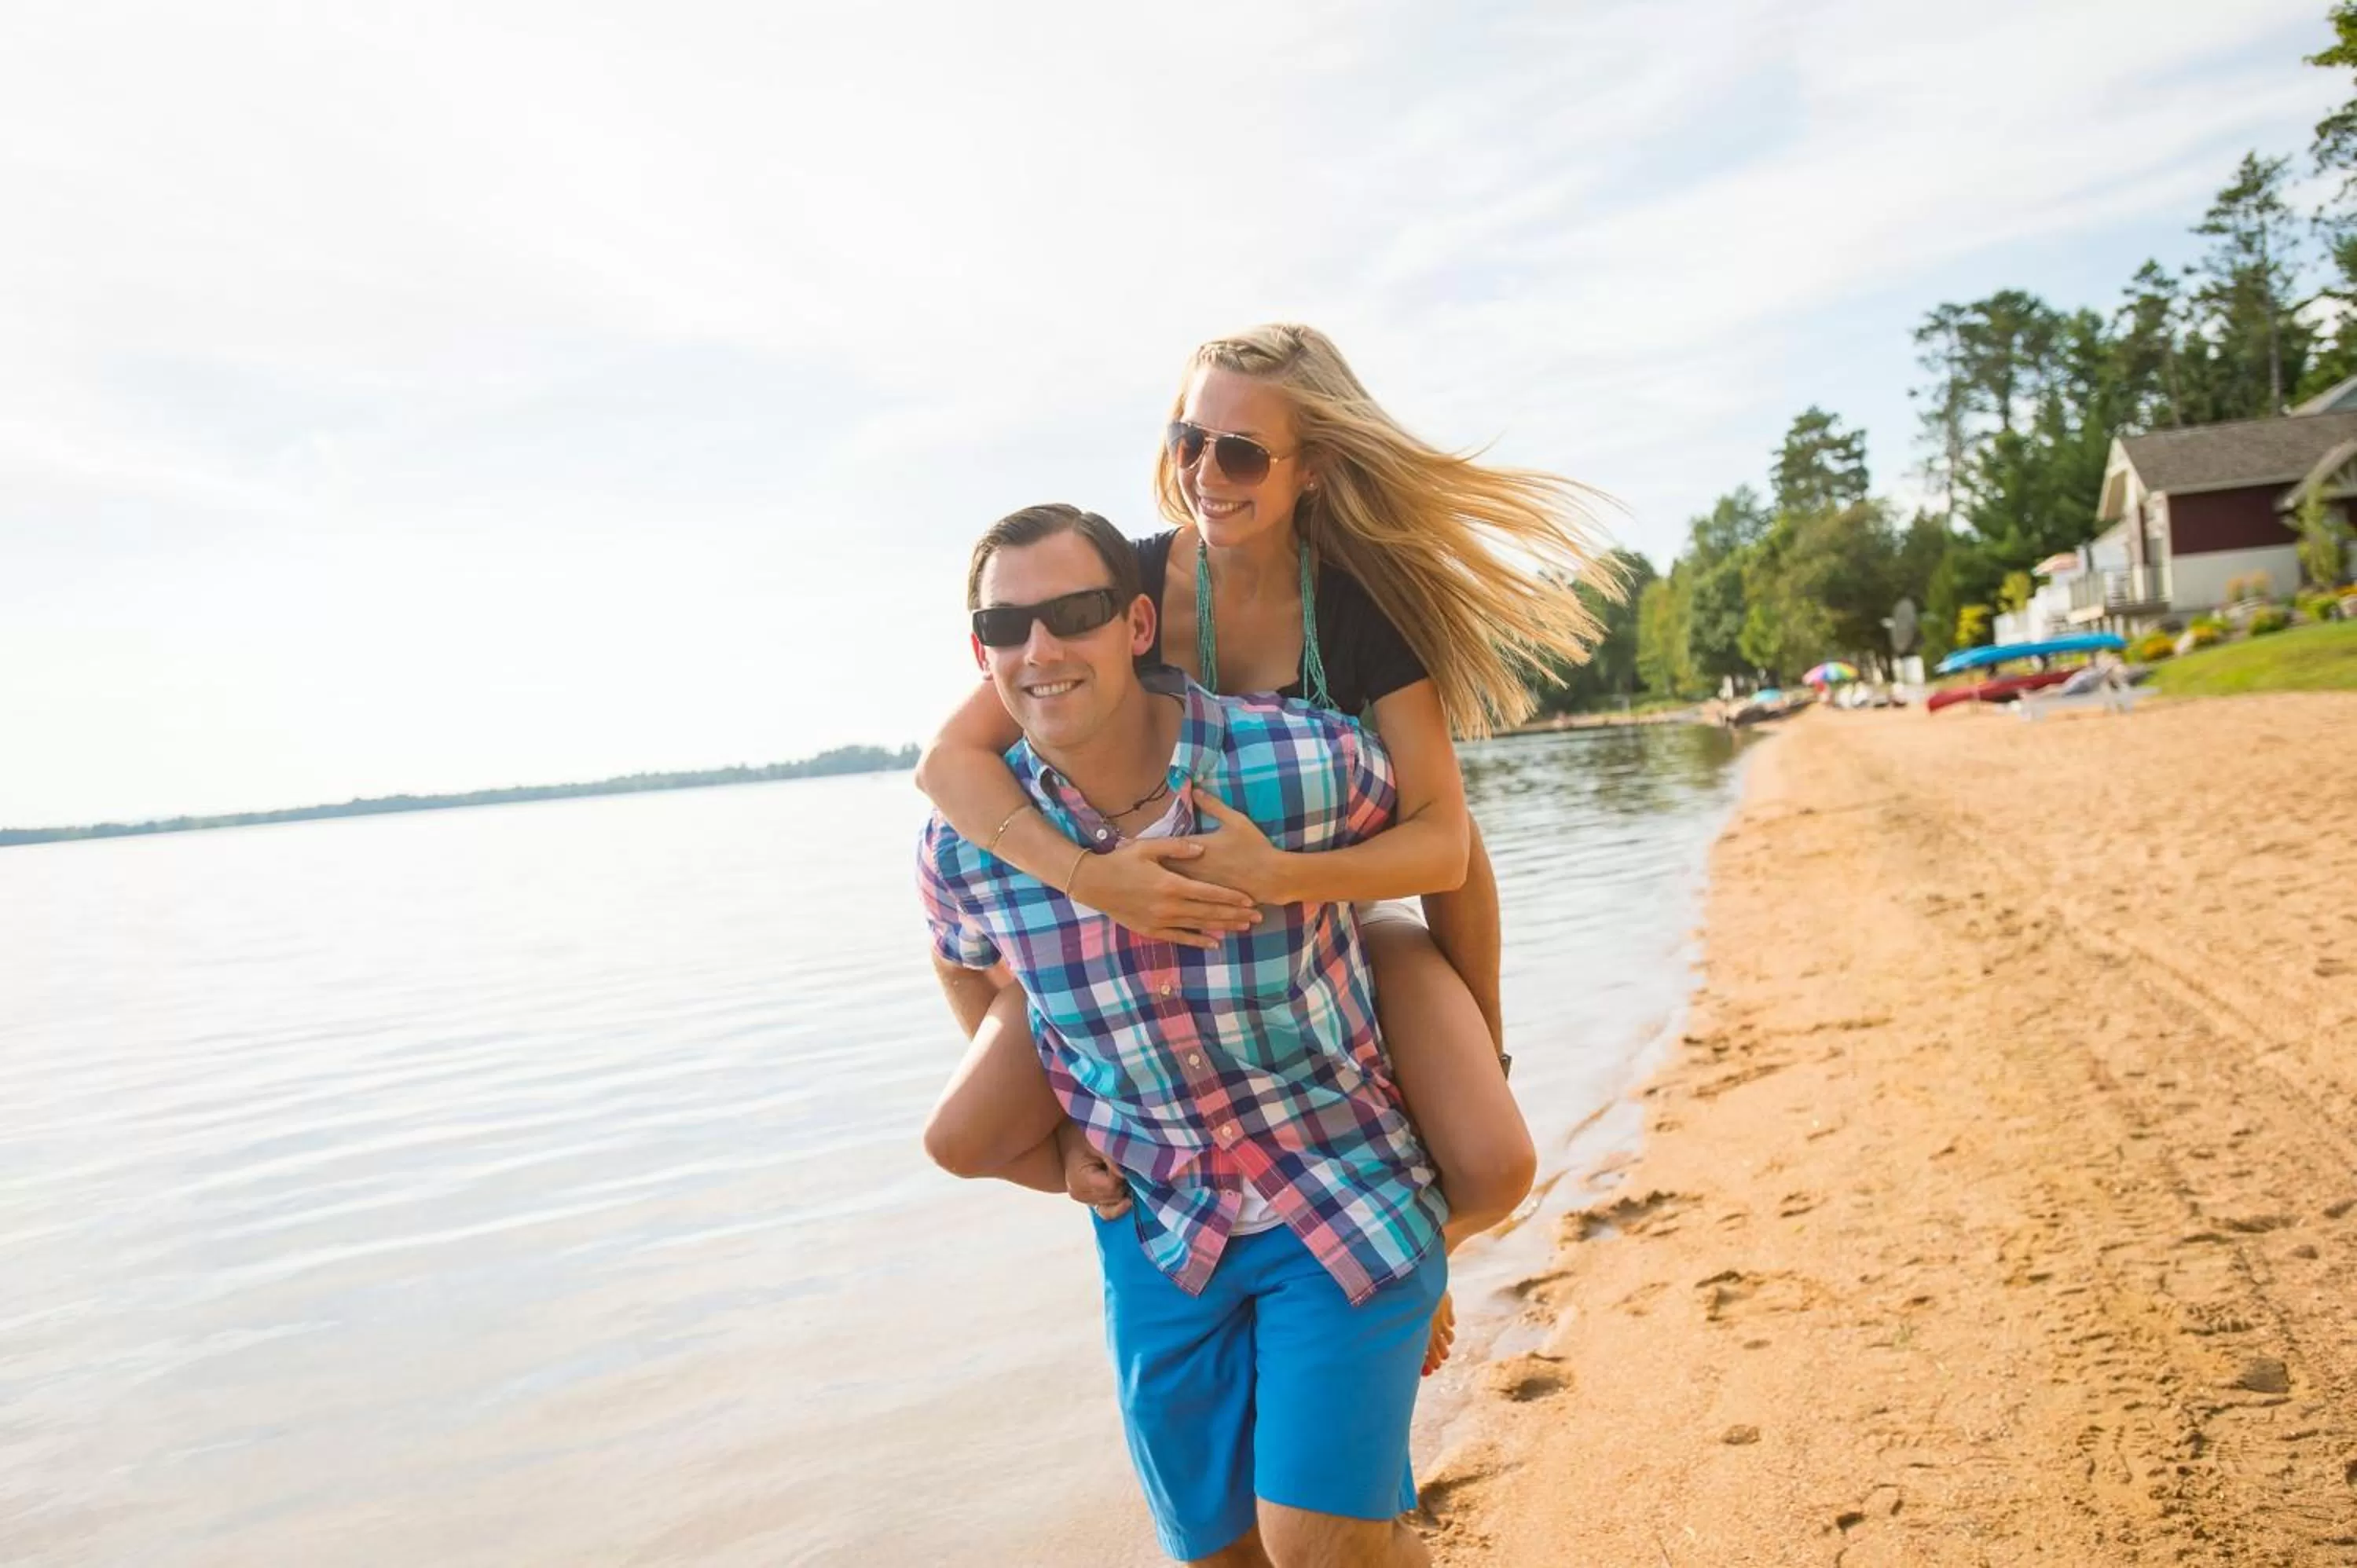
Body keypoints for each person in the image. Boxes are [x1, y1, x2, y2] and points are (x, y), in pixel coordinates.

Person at [916, 324, 1615, 1372]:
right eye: (1188, 439)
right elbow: (947, 766)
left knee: (1491, 1160)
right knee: (964, 1136)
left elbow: (1444, 847)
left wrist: (1475, 1041)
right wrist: (1094, 881)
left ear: (1314, 466)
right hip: (1136, 940)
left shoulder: (1358, 608)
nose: (1203, 472)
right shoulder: (1130, 591)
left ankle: (1400, 1273)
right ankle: (1161, 1216)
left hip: (1342, 913)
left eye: (1241, 452)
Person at [919, 504, 1447, 1566]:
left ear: (1139, 625)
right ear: (981, 655)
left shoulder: (1299, 766)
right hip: (1162, 1231)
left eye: (1075, 613)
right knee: (1220, 1556)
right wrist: (1066, 1139)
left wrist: (1477, 1068)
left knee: (1320, 1546)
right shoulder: (969, 846)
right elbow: (961, 958)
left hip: (1341, 1190)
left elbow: (1446, 849)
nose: (1043, 649)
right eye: (1008, 627)